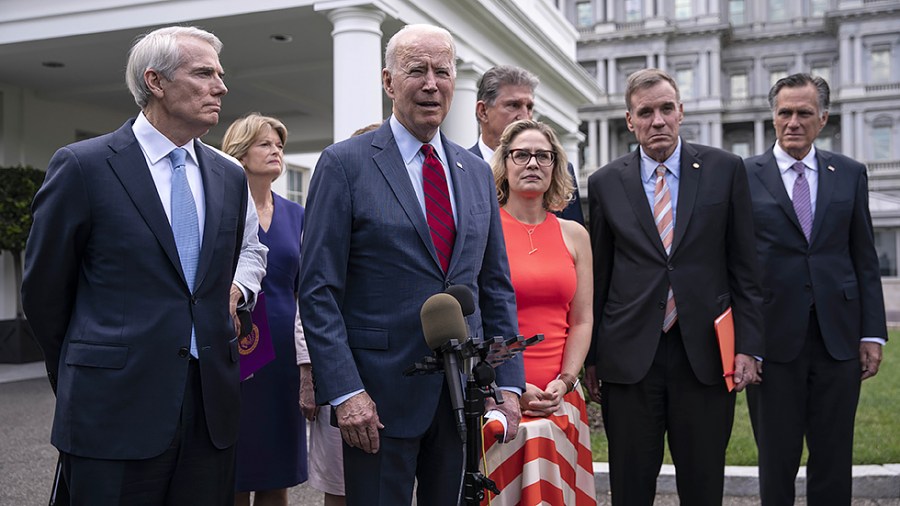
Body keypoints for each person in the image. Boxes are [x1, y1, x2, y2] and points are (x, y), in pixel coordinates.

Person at [21, 25, 267, 505]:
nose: (221, 86)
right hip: (111, 410)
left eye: (220, 74)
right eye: (203, 74)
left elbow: (227, 269)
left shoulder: (229, 176)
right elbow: (45, 293)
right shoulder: (83, 166)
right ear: (155, 82)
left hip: (210, 411)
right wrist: (84, 374)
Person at [298, 24, 525, 506]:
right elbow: (318, 290)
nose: (431, 83)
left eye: (442, 71)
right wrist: (344, 392)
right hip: (375, 401)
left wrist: (508, 383)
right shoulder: (344, 164)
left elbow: (494, 286)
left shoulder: (477, 172)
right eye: (416, 70)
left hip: (461, 400)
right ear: (388, 82)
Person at [585, 68, 765, 506]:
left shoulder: (725, 170)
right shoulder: (605, 183)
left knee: (703, 486)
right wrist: (591, 359)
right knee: (630, 486)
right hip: (630, 361)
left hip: (704, 357)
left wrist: (749, 346)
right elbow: (599, 276)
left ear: (681, 111)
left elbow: (746, 266)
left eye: (666, 109)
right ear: (630, 121)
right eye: (645, 112)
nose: (658, 120)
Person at [745, 73, 888, 505]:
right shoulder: (743, 176)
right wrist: (745, 343)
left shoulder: (849, 174)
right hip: (771, 341)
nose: (793, 121)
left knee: (833, 455)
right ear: (773, 117)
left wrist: (872, 333)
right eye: (784, 112)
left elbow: (864, 258)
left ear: (822, 118)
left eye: (803, 113)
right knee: (776, 457)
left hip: (839, 341)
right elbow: (736, 265)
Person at [481, 119, 595, 505]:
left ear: (555, 166)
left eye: (543, 156)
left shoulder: (574, 234)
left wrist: (565, 381)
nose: (532, 163)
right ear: (505, 163)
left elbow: (582, 318)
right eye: (522, 154)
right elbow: (477, 318)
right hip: (502, 399)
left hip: (561, 400)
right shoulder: (484, 228)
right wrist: (511, 386)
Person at [221, 113, 307, 506]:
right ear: (240, 153)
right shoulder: (222, 210)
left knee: (278, 471)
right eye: (265, 144)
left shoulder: (298, 214)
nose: (276, 151)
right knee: (233, 469)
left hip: (287, 355)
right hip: (234, 349)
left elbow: (307, 287)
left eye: (279, 145)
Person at [304, 121, 382, 506]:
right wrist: (313, 373)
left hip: (396, 377)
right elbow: (314, 294)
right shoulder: (338, 178)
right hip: (342, 368)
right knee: (341, 483)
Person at [470, 65, 585, 225]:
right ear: (483, 111)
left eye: (529, 107)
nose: (525, 116)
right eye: (513, 105)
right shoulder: (460, 170)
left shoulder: (560, 170)